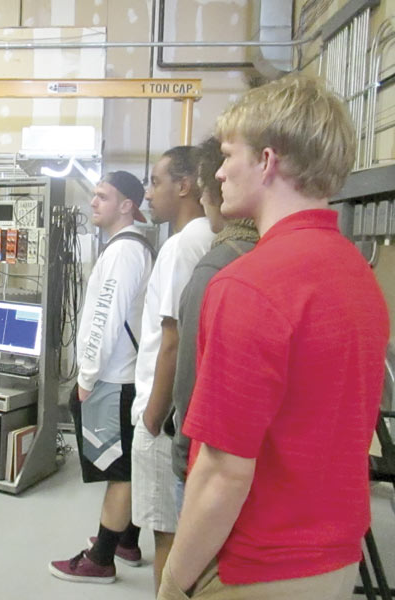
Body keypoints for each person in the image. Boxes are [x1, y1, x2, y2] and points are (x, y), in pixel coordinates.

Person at [159, 75, 389, 600]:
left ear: (266, 162)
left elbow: (223, 472)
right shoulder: (357, 274)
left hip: (257, 567)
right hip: (333, 560)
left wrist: (173, 580)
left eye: (227, 155)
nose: (218, 172)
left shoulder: (248, 284)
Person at [49, 171, 154, 583]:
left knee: (119, 469)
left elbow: (104, 321)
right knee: (125, 462)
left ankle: (103, 559)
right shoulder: (125, 248)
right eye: (94, 195)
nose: (93, 202)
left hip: (113, 380)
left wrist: (86, 380)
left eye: (103, 196)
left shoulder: (124, 252)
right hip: (120, 376)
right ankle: (127, 539)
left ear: (126, 205)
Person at [131, 146, 215, 593]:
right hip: (182, 411)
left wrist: (152, 415)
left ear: (185, 186)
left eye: (156, 182)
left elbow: (173, 339)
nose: (148, 193)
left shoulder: (183, 245)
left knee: (166, 532)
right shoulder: (205, 236)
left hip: (163, 415)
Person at [165, 137, 259, 514]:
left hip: (211, 461)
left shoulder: (216, 267)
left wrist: (181, 454)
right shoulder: (270, 251)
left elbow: (189, 374)